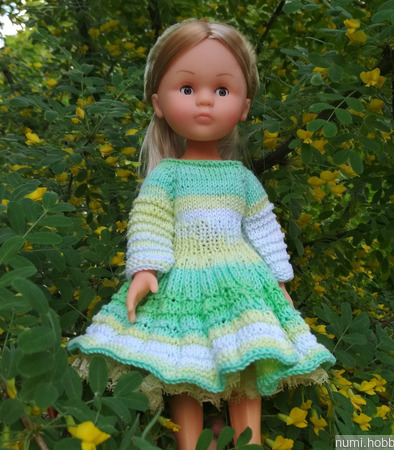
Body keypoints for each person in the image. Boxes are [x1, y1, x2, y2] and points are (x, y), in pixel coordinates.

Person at [68, 19, 335, 449]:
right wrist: (146, 269)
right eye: (188, 88)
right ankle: (189, 442)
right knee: (182, 360)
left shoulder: (240, 177)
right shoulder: (167, 175)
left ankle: (249, 440)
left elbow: (263, 226)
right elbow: (151, 219)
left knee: (247, 355)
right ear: (159, 103)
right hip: (182, 278)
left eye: (222, 90)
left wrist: (279, 279)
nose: (206, 100)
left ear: (244, 106)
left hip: (241, 280)